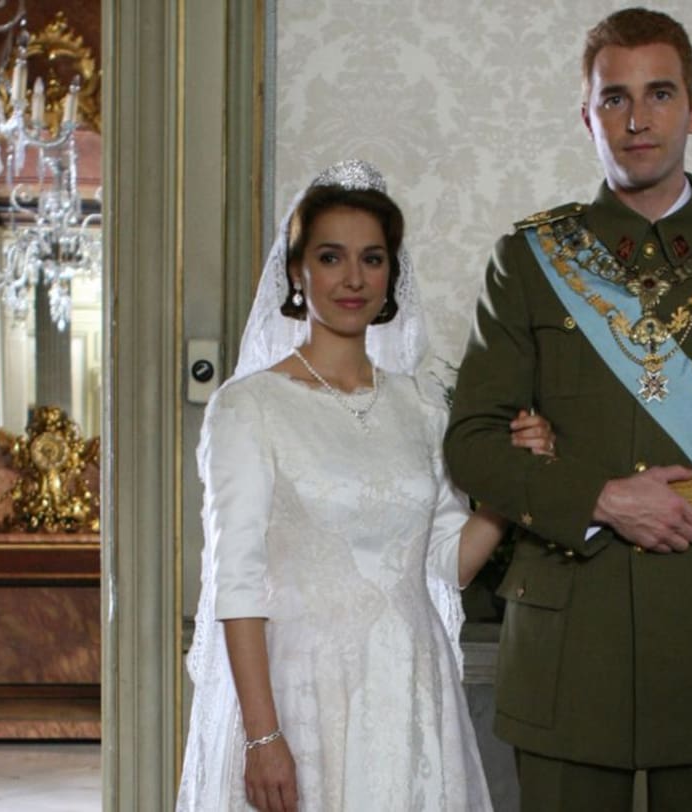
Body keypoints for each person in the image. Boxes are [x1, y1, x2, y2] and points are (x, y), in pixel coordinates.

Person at [443, 8, 692, 811]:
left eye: (659, 94)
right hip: (568, 628)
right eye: (614, 98)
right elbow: (473, 442)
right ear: (587, 117)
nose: (636, 119)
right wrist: (599, 498)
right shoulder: (531, 261)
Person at [176, 160, 554, 812]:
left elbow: (449, 564)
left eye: (372, 259)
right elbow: (236, 582)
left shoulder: (423, 407)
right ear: (298, 273)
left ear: (390, 275)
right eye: (331, 257)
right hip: (303, 693)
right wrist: (263, 736)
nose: (353, 278)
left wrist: (511, 483)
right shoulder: (250, 407)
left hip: (411, 689)